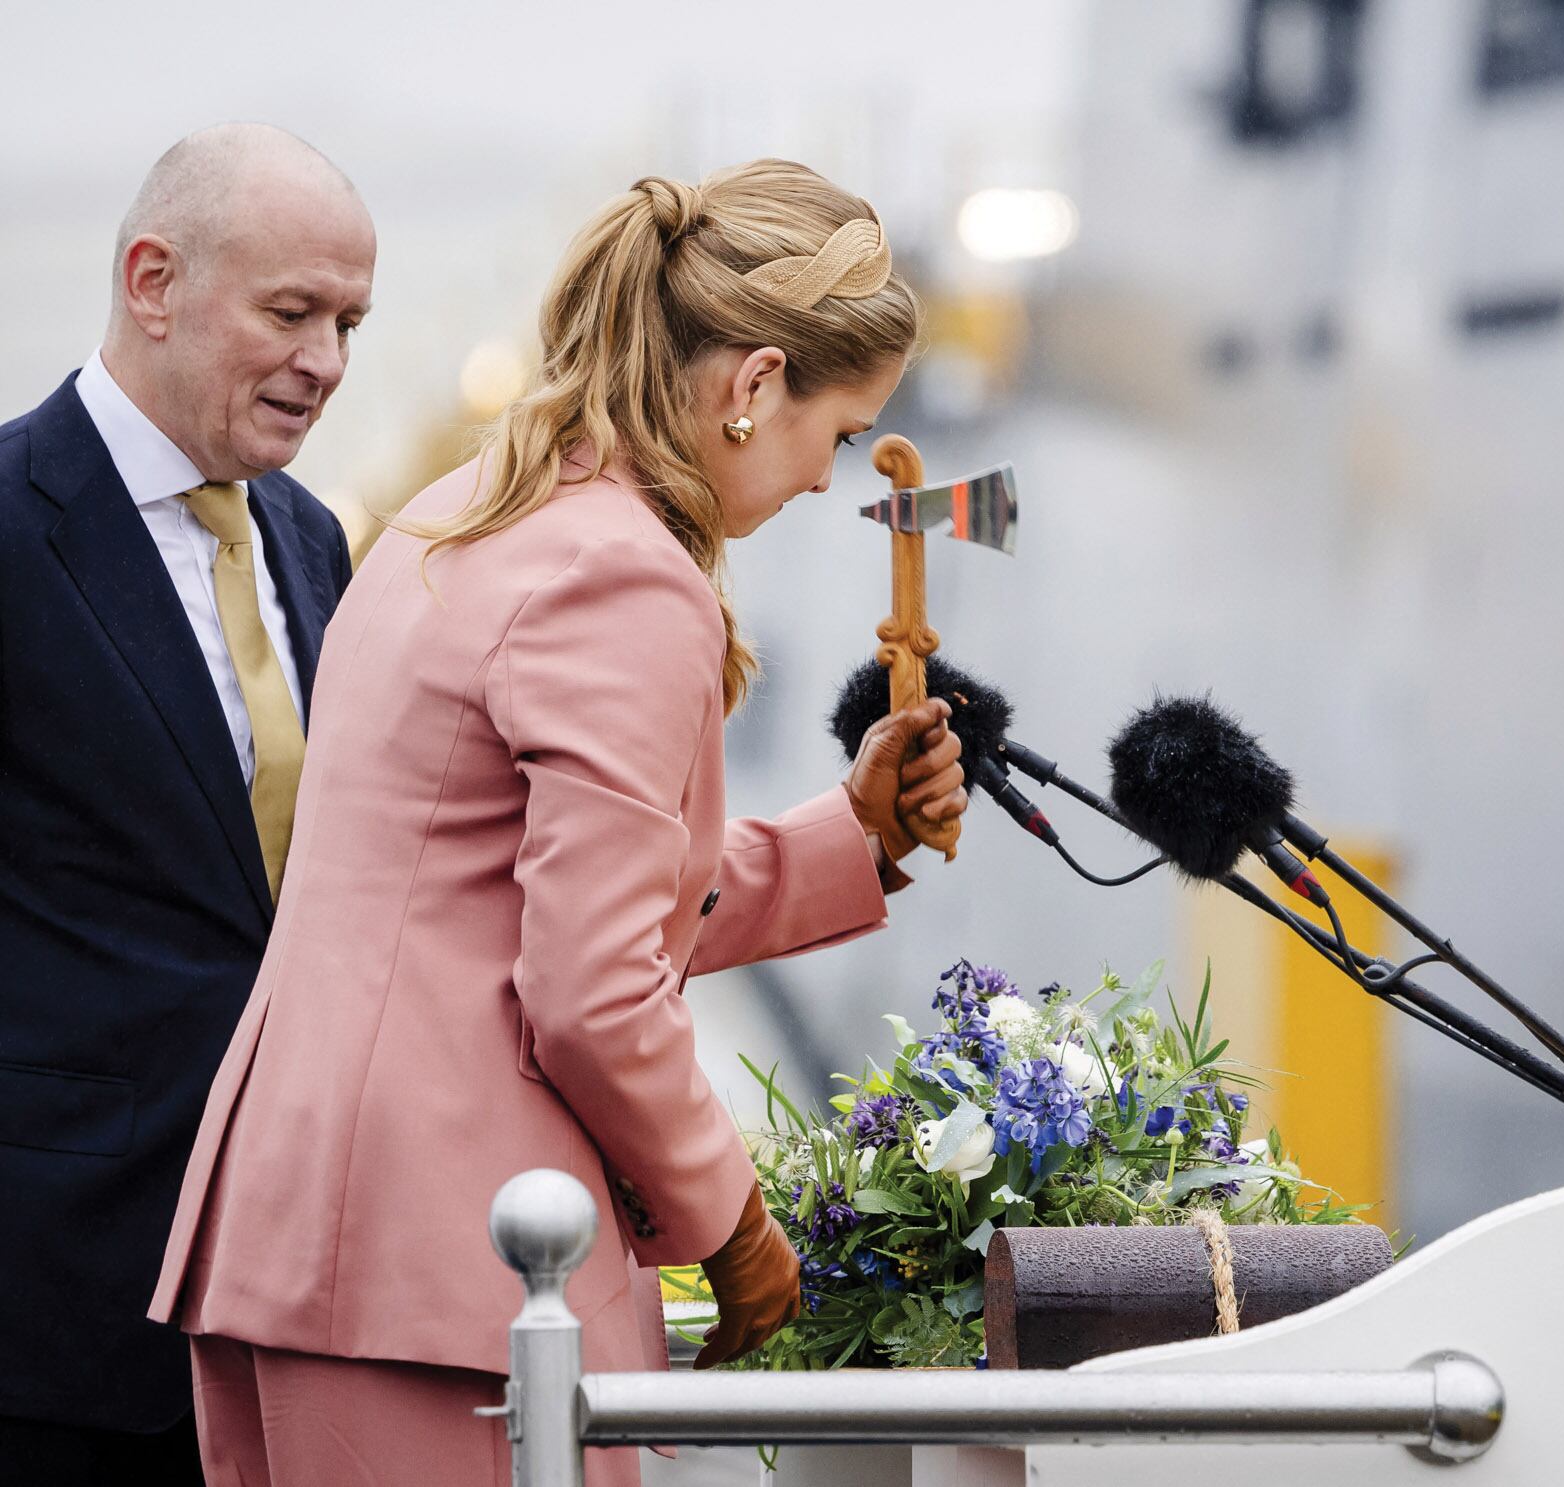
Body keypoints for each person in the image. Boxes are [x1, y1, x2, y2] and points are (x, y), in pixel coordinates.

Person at [149, 159, 966, 1486]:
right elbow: (590, 987)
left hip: (305, 1240)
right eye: (839, 432)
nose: (829, 482)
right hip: (455, 1281)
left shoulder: (466, 515)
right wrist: (735, 1228)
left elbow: (503, 898)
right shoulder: (626, 581)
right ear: (755, 389)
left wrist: (850, 840)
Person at [0, 124, 373, 1483]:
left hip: (284, 1302)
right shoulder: (4, 521)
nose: (327, 361)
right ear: (152, 281)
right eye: (292, 312)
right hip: (52, 1313)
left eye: (347, 321)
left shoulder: (310, 536)